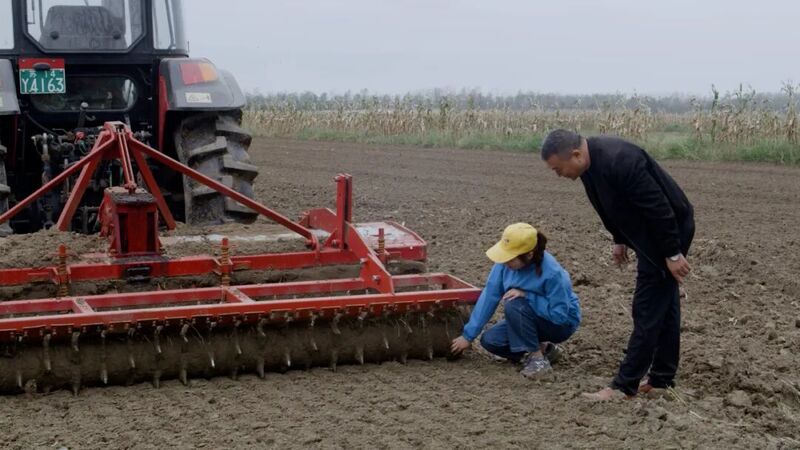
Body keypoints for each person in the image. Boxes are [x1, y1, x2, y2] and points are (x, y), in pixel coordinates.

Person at [541, 129, 695, 401]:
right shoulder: (589, 167)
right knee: (665, 303)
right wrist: (619, 239)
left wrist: (672, 253)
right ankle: (662, 379)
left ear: (575, 155)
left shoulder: (620, 160)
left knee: (646, 308)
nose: (558, 175)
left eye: (558, 169)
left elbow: (659, 208)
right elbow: (608, 205)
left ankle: (624, 386)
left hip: (667, 231)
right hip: (651, 234)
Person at [450, 223, 581, 377]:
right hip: (528, 315)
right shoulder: (504, 265)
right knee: (490, 341)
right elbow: (489, 296)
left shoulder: (553, 274)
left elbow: (559, 315)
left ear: (529, 255)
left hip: (559, 324)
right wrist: (468, 336)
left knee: (513, 303)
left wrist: (528, 296)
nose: (505, 262)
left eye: (510, 258)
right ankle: (547, 351)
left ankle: (538, 361)